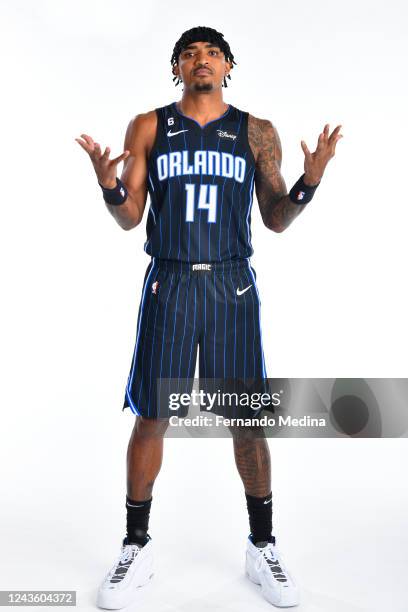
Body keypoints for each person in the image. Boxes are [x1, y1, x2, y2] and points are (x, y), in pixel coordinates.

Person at [76, 25, 342, 610]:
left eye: (213, 53)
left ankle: (262, 544)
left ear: (228, 67)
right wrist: (108, 186)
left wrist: (311, 181)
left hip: (231, 285)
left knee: (247, 421)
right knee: (152, 414)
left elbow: (274, 218)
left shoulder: (255, 130)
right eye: (190, 53)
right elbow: (131, 217)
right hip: (170, 281)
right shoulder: (149, 126)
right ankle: (135, 546)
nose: (202, 60)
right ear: (177, 67)